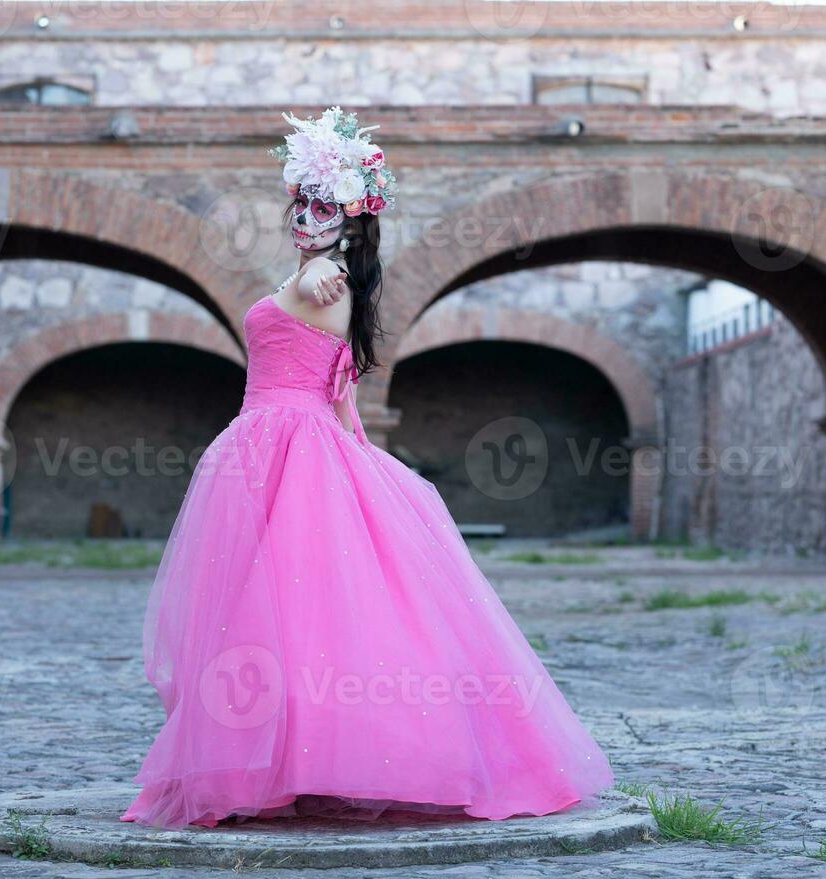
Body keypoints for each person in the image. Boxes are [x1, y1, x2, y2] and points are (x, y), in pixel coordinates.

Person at [122, 107, 613, 829]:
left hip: (284, 444)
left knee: (286, 611)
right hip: (287, 442)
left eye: (321, 208)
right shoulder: (326, 284)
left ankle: (294, 761)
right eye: (300, 204)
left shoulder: (326, 278)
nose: (304, 218)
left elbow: (324, 341)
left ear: (346, 222)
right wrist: (358, 452)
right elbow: (342, 392)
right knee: (293, 613)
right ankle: (301, 762)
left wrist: (324, 269)